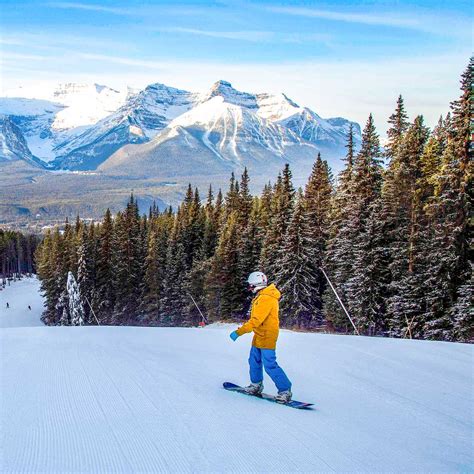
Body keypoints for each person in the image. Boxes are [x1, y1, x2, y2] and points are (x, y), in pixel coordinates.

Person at [229, 271, 292, 403]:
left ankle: (285, 391)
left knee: (270, 364)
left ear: (256, 285)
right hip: (259, 334)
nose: (250, 288)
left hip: (267, 335)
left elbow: (256, 320)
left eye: (250, 286)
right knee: (254, 361)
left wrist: (239, 332)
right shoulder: (262, 296)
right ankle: (256, 385)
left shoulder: (266, 298)